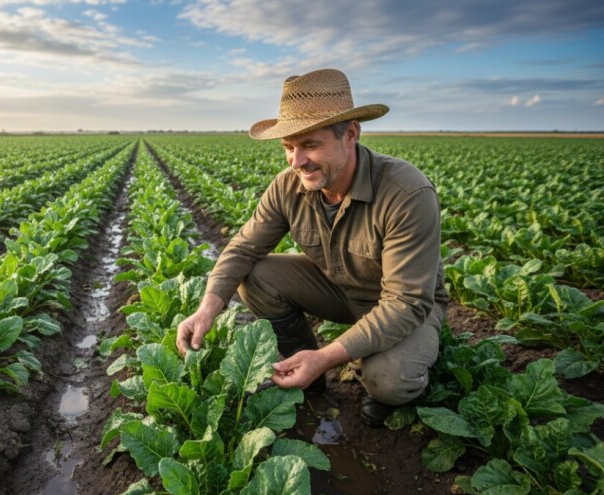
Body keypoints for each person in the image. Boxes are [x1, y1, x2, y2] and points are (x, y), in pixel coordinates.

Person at [176, 68, 449, 427]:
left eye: (309, 145)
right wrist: (207, 309)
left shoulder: (406, 193)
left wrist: (325, 355)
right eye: (288, 147)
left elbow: (406, 303)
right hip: (339, 291)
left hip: (405, 307)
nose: (296, 160)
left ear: (350, 134)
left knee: (389, 381)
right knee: (253, 274)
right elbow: (242, 248)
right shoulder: (287, 186)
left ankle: (363, 371)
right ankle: (305, 371)